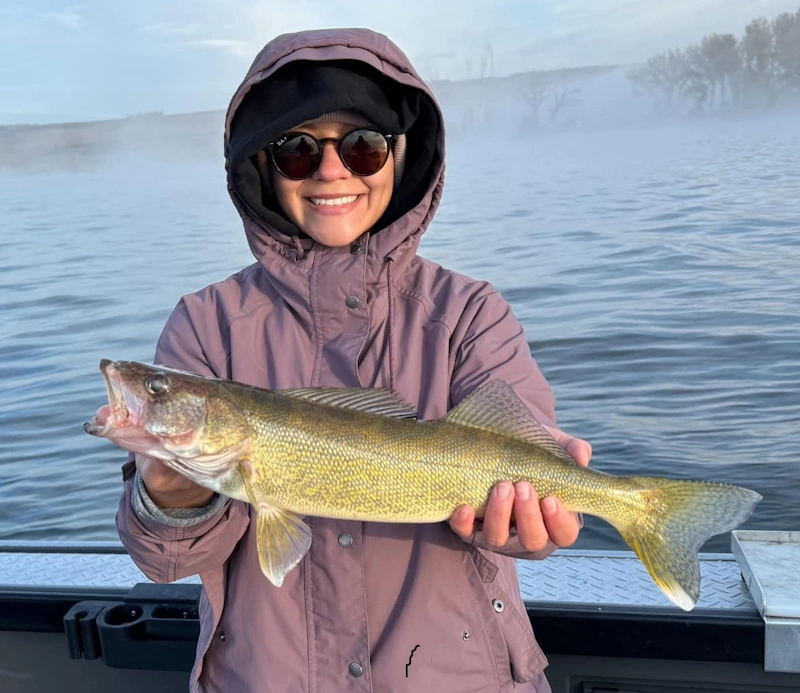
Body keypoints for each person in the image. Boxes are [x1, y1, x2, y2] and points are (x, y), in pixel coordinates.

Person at [116, 27, 592, 693]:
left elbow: (526, 511)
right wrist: (168, 494)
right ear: (263, 167)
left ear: (402, 158)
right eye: (298, 150)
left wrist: (529, 526)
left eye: (363, 147)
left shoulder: (471, 313)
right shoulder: (205, 325)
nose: (332, 171)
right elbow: (164, 562)